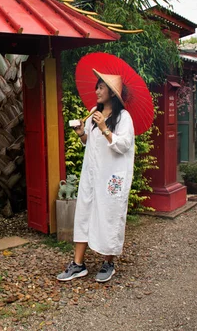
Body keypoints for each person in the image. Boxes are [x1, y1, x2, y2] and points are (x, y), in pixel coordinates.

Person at [57, 70, 135, 283]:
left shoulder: (123, 118)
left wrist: (104, 128)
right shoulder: (93, 113)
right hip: (91, 174)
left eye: (101, 87)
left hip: (111, 177)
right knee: (84, 214)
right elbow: (89, 144)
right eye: (97, 87)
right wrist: (82, 132)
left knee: (109, 214)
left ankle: (108, 262)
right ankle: (78, 264)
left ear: (112, 92)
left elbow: (124, 145)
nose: (96, 91)